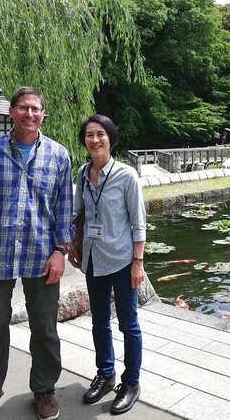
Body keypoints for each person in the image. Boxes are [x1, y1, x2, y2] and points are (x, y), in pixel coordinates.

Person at [0, 86, 72, 420]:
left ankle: (44, 389)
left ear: (43, 115)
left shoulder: (58, 155)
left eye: (36, 109)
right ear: (11, 113)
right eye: (23, 108)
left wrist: (60, 251)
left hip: (41, 253)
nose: (30, 114)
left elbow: (63, 208)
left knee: (45, 326)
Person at [67, 114, 146, 415]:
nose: (95, 139)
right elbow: (78, 213)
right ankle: (106, 373)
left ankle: (131, 382)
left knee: (128, 323)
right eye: (89, 134)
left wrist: (137, 263)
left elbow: (138, 224)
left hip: (123, 260)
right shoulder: (82, 173)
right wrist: (75, 245)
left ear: (111, 138)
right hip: (93, 260)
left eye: (101, 134)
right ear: (84, 140)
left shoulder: (126, 176)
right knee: (99, 321)